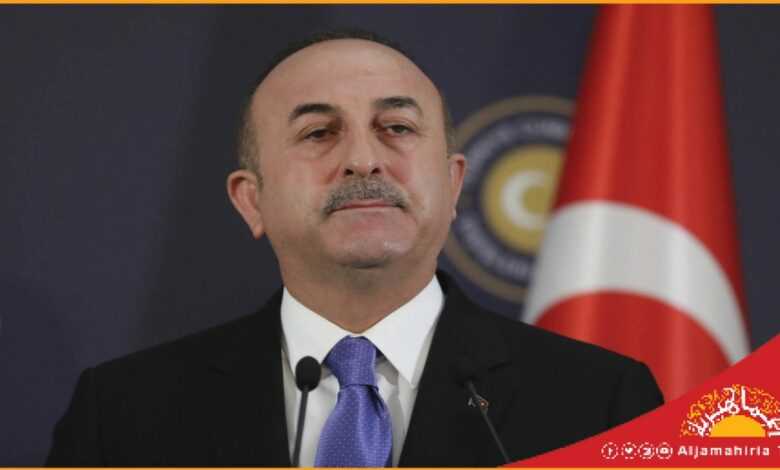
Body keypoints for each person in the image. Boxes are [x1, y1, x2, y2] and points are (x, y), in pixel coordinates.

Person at [47, 30, 663, 467]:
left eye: (396, 128)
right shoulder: (123, 415)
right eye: (319, 132)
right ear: (251, 200)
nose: (364, 159)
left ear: (452, 186)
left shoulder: (603, 404)